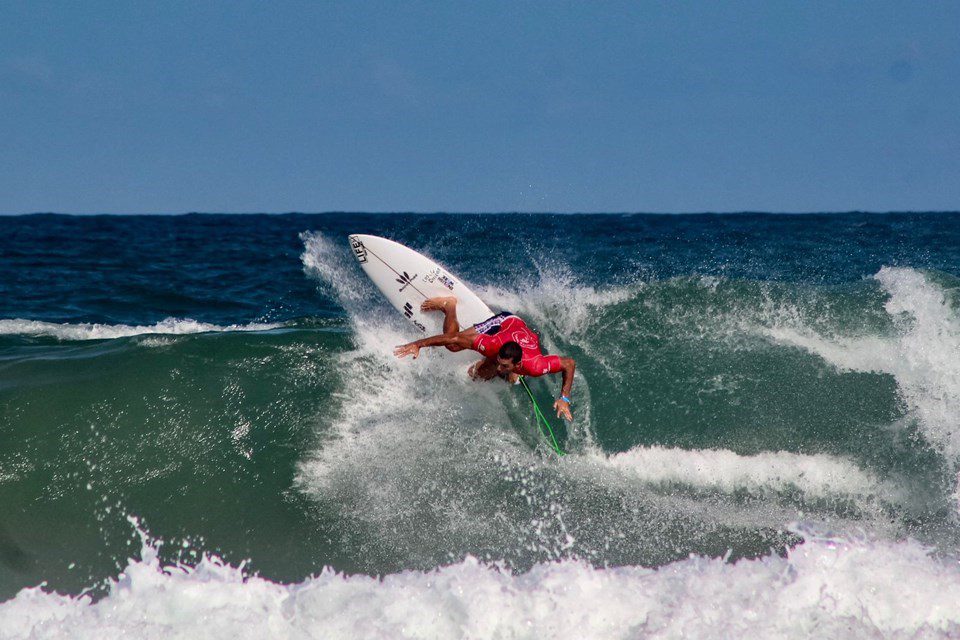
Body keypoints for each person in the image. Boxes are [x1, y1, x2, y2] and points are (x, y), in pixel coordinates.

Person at [393, 296, 576, 421]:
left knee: (483, 376)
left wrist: (564, 398)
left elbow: (569, 363)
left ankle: (511, 374)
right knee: (453, 347)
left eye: (505, 365)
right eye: (500, 362)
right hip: (505, 323)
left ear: (517, 363)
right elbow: (453, 338)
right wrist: (418, 344)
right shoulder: (491, 343)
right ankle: (449, 305)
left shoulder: (535, 366)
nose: (499, 367)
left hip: (522, 336)